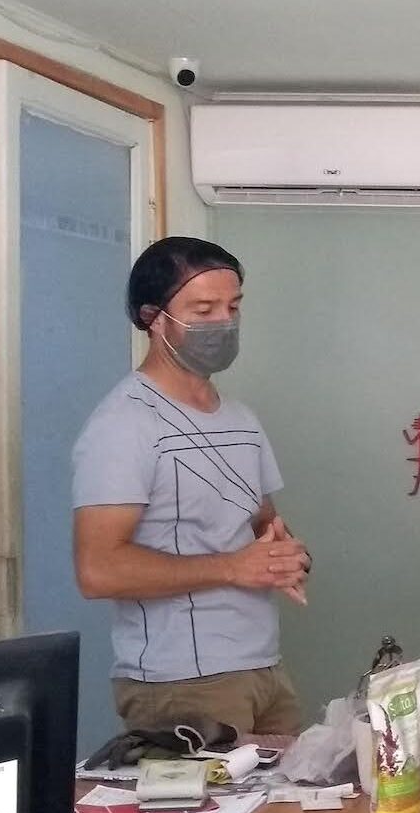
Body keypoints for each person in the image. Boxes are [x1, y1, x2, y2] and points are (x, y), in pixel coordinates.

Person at [72, 236, 309, 734]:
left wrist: (287, 557)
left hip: (263, 669)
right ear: (153, 318)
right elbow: (98, 570)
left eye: (233, 307)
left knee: (301, 787)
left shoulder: (241, 419)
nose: (224, 322)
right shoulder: (124, 425)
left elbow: (263, 524)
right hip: (180, 682)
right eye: (203, 310)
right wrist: (233, 567)